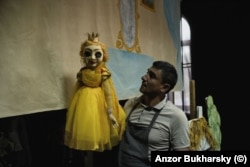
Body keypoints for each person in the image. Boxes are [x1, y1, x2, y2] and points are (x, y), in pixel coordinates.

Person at [64, 32, 126, 159]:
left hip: (98, 106)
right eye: (88, 53)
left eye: (97, 54)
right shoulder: (83, 72)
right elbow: (77, 87)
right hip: (83, 105)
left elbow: (108, 93)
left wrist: (110, 113)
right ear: (83, 55)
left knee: (97, 133)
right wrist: (72, 109)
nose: (92, 57)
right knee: (86, 132)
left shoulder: (103, 72)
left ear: (103, 57)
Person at [118, 60, 190, 167]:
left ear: (164, 87)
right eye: (147, 72)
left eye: (151, 76)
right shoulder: (131, 104)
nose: (143, 77)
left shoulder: (176, 116)